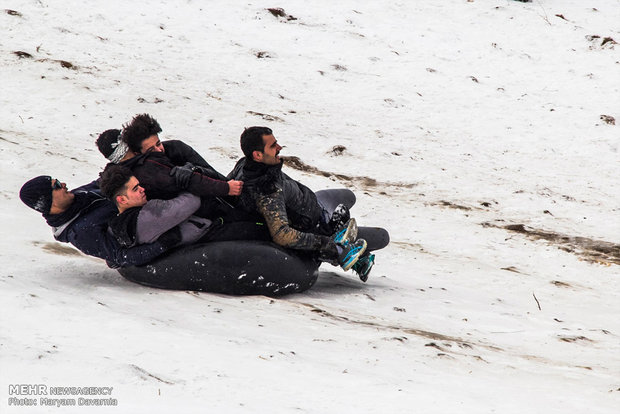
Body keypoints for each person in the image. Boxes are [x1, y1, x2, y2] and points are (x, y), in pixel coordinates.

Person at [229, 126, 369, 275]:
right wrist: (325, 243)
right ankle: (337, 245)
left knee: (348, 196)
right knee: (381, 237)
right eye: (272, 146)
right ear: (257, 155)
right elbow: (282, 235)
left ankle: (334, 233)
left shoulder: (245, 164)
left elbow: (228, 184)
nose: (279, 147)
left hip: (313, 205)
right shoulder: (267, 191)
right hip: (312, 225)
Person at [19, 175, 180, 268]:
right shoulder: (81, 232)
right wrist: (163, 244)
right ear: (49, 202)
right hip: (155, 233)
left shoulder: (78, 196)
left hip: (152, 205)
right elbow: (120, 256)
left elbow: (102, 182)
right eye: (58, 186)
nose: (65, 185)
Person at [95, 118, 242, 218]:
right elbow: (188, 181)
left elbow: (209, 172)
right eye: (151, 149)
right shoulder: (147, 168)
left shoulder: (174, 149)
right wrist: (226, 188)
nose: (159, 150)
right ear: (135, 150)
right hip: (197, 212)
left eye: (159, 144)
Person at [98, 165, 270, 247]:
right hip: (207, 234)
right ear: (121, 200)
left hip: (200, 232)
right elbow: (192, 201)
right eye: (136, 189)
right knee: (261, 229)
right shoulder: (149, 215)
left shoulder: (118, 225)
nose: (143, 189)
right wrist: (183, 180)